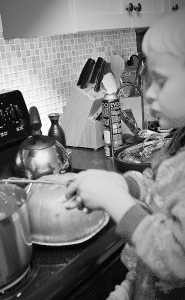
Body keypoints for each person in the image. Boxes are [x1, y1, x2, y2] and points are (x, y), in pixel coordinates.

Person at [64, 9, 185, 300]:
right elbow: (156, 185)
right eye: (149, 81)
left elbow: (175, 258)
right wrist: (126, 186)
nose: (149, 93)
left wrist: (114, 200)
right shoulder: (178, 143)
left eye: (162, 81)